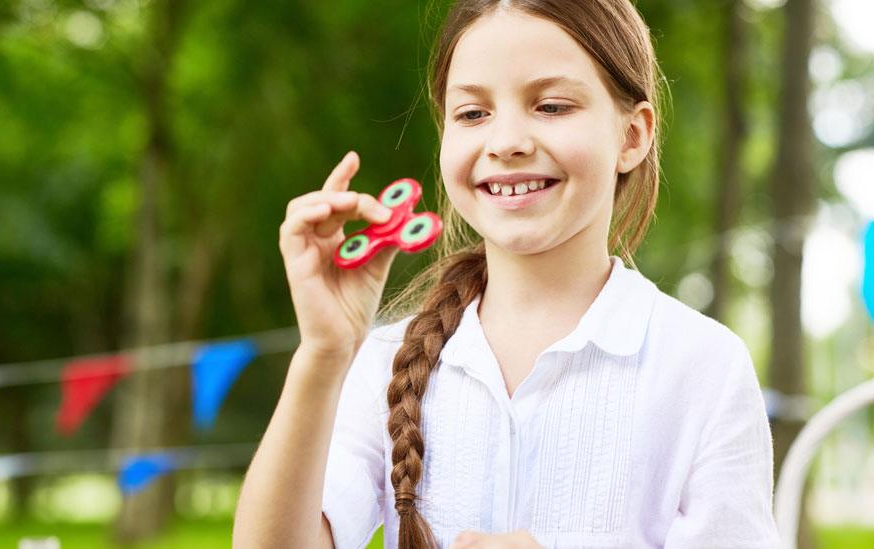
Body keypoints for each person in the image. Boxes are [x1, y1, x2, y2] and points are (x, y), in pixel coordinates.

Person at [233, 0, 781, 547]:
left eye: (551, 106)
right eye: (473, 113)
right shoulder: (385, 362)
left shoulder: (703, 366)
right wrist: (324, 353)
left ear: (632, 136)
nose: (506, 142)